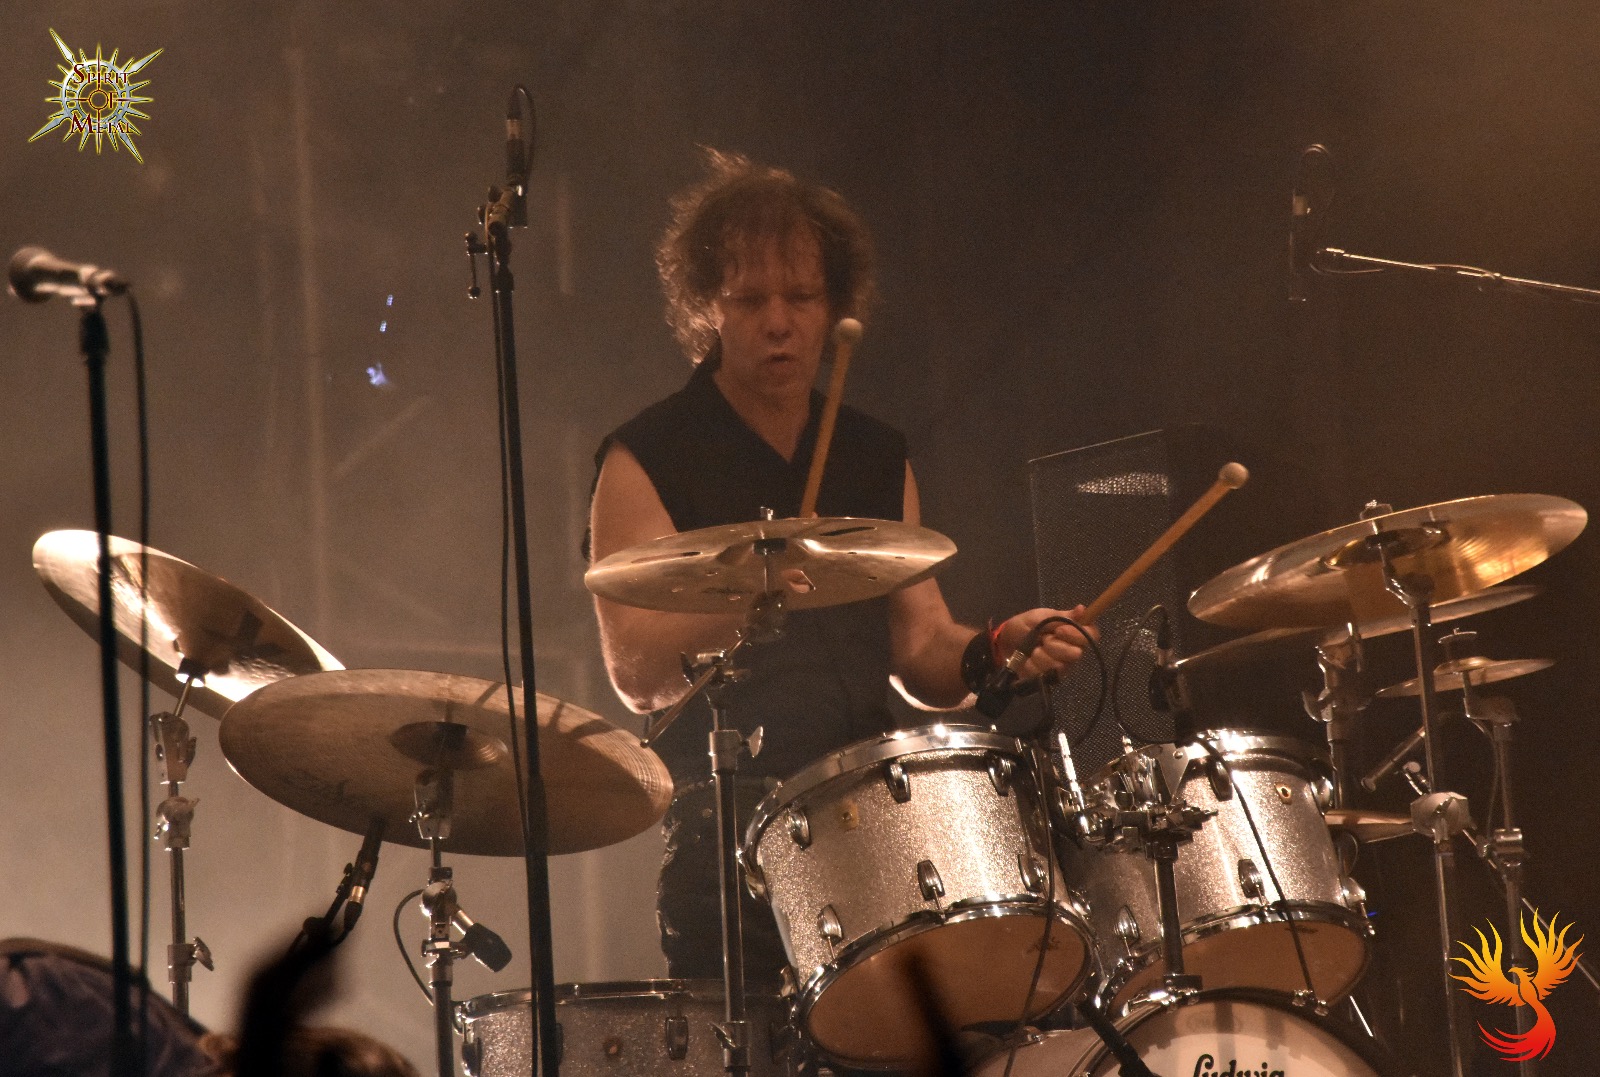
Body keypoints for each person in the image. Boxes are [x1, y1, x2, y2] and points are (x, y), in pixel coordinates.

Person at [586, 150, 1092, 983]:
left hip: (878, 826)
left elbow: (920, 646)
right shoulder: (647, 455)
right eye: (750, 299)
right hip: (731, 845)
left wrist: (998, 647)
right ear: (707, 305)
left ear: (834, 307)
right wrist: (750, 595)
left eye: (801, 297)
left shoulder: (870, 453)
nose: (778, 321)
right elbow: (636, 673)